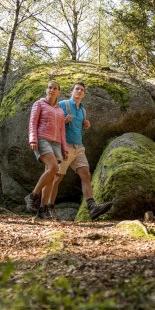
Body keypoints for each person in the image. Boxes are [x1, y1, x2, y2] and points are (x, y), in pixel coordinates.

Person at [48, 81, 112, 220]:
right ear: (71, 92)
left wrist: (85, 126)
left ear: (84, 94)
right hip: (64, 147)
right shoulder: (63, 105)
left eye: (82, 90)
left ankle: (92, 207)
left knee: (86, 175)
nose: (79, 91)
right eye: (77, 89)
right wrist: (64, 121)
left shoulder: (83, 110)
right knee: (57, 178)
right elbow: (52, 124)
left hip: (79, 147)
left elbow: (78, 131)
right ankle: (48, 208)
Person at [24, 80, 68, 219]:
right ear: (46, 90)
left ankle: (42, 209)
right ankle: (32, 196)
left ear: (58, 92)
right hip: (42, 139)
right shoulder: (39, 104)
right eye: (50, 87)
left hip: (56, 143)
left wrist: (64, 148)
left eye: (55, 88)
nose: (52, 90)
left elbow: (62, 131)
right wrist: (33, 139)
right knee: (54, 168)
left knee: (50, 174)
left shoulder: (60, 110)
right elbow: (33, 122)